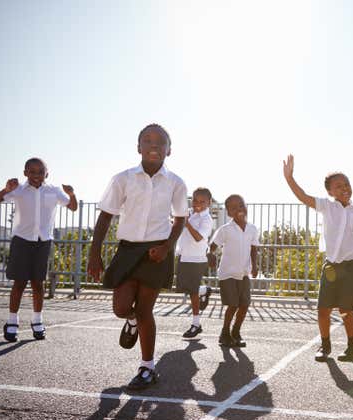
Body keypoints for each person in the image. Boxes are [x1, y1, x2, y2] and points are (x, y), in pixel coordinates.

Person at [87, 124, 188, 390]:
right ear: (138, 147)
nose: (154, 145)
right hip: (128, 249)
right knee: (121, 307)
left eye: (160, 142)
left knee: (145, 309)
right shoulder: (123, 178)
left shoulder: (176, 182)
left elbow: (179, 220)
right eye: (147, 140)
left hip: (157, 251)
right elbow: (106, 215)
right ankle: (130, 320)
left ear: (169, 149)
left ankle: (147, 367)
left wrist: (167, 247)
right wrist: (94, 253)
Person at [283, 154, 353, 362]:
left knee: (346, 309)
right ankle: (325, 345)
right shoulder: (327, 206)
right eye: (338, 186)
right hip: (331, 265)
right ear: (330, 191)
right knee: (323, 308)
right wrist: (289, 178)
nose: (344, 188)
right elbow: (303, 197)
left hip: (352, 265)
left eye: (346, 184)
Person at [0, 158, 77, 342]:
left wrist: (71, 193)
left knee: (38, 284)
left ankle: (37, 320)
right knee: (19, 283)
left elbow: (73, 207)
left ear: (47, 173)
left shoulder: (54, 191)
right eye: (32, 171)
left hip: (43, 242)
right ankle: (12, 321)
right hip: (22, 241)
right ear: (25, 173)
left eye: (40, 171)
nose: (36, 175)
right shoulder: (18, 190)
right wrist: (6, 190)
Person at [208, 194, 259, 348]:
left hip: (243, 273)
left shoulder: (252, 229)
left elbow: (254, 248)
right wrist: (210, 255)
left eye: (241, 205)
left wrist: (255, 265)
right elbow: (213, 246)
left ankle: (235, 332)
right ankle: (225, 333)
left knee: (244, 304)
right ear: (229, 212)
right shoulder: (225, 229)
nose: (239, 209)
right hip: (227, 273)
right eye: (234, 207)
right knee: (233, 305)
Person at [176, 187, 214, 338]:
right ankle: (203, 290)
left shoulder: (207, 219)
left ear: (209, 203)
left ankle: (196, 324)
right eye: (195, 200)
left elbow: (199, 238)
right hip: (184, 256)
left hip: (196, 259)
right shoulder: (190, 215)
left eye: (202, 201)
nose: (197, 204)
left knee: (191, 292)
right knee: (184, 288)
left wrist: (187, 224)